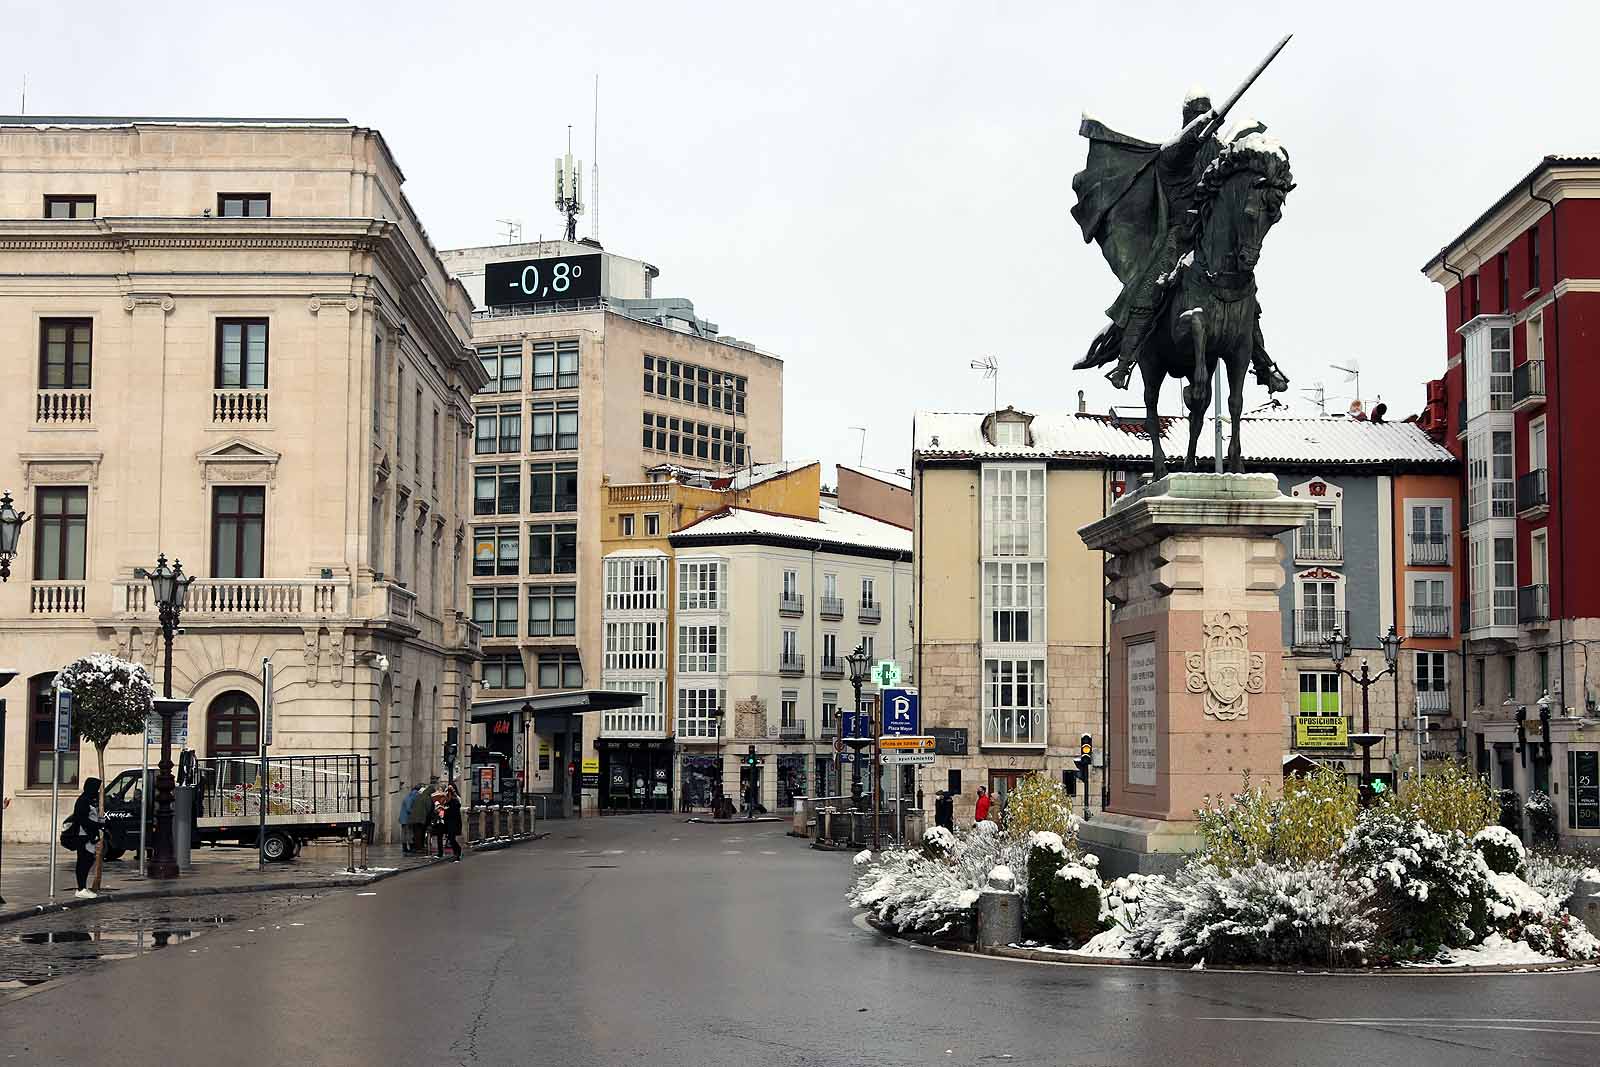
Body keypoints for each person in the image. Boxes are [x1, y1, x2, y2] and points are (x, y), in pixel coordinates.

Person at [66, 777, 104, 898]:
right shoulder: (83, 801)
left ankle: (83, 887)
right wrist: (98, 826)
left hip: (89, 835)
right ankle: (81, 888)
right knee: (84, 861)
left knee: (88, 861)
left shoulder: (89, 800)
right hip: (83, 836)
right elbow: (83, 820)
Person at [406, 783, 429, 854]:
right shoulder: (417, 796)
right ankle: (416, 847)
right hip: (416, 818)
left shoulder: (413, 795)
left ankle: (414, 847)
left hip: (413, 818)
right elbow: (409, 807)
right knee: (417, 833)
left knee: (415, 833)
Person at [442, 784, 463, 862]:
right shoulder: (447, 801)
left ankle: (457, 853)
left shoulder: (455, 800)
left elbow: (455, 810)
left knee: (451, 838)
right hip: (448, 822)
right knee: (450, 838)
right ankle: (456, 853)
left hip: (454, 822)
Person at [399, 784, 418, 854]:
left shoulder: (409, 796)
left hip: (404, 818)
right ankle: (409, 847)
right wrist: (414, 812)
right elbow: (408, 809)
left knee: (405, 833)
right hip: (407, 818)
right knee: (409, 833)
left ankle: (405, 847)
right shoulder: (410, 798)